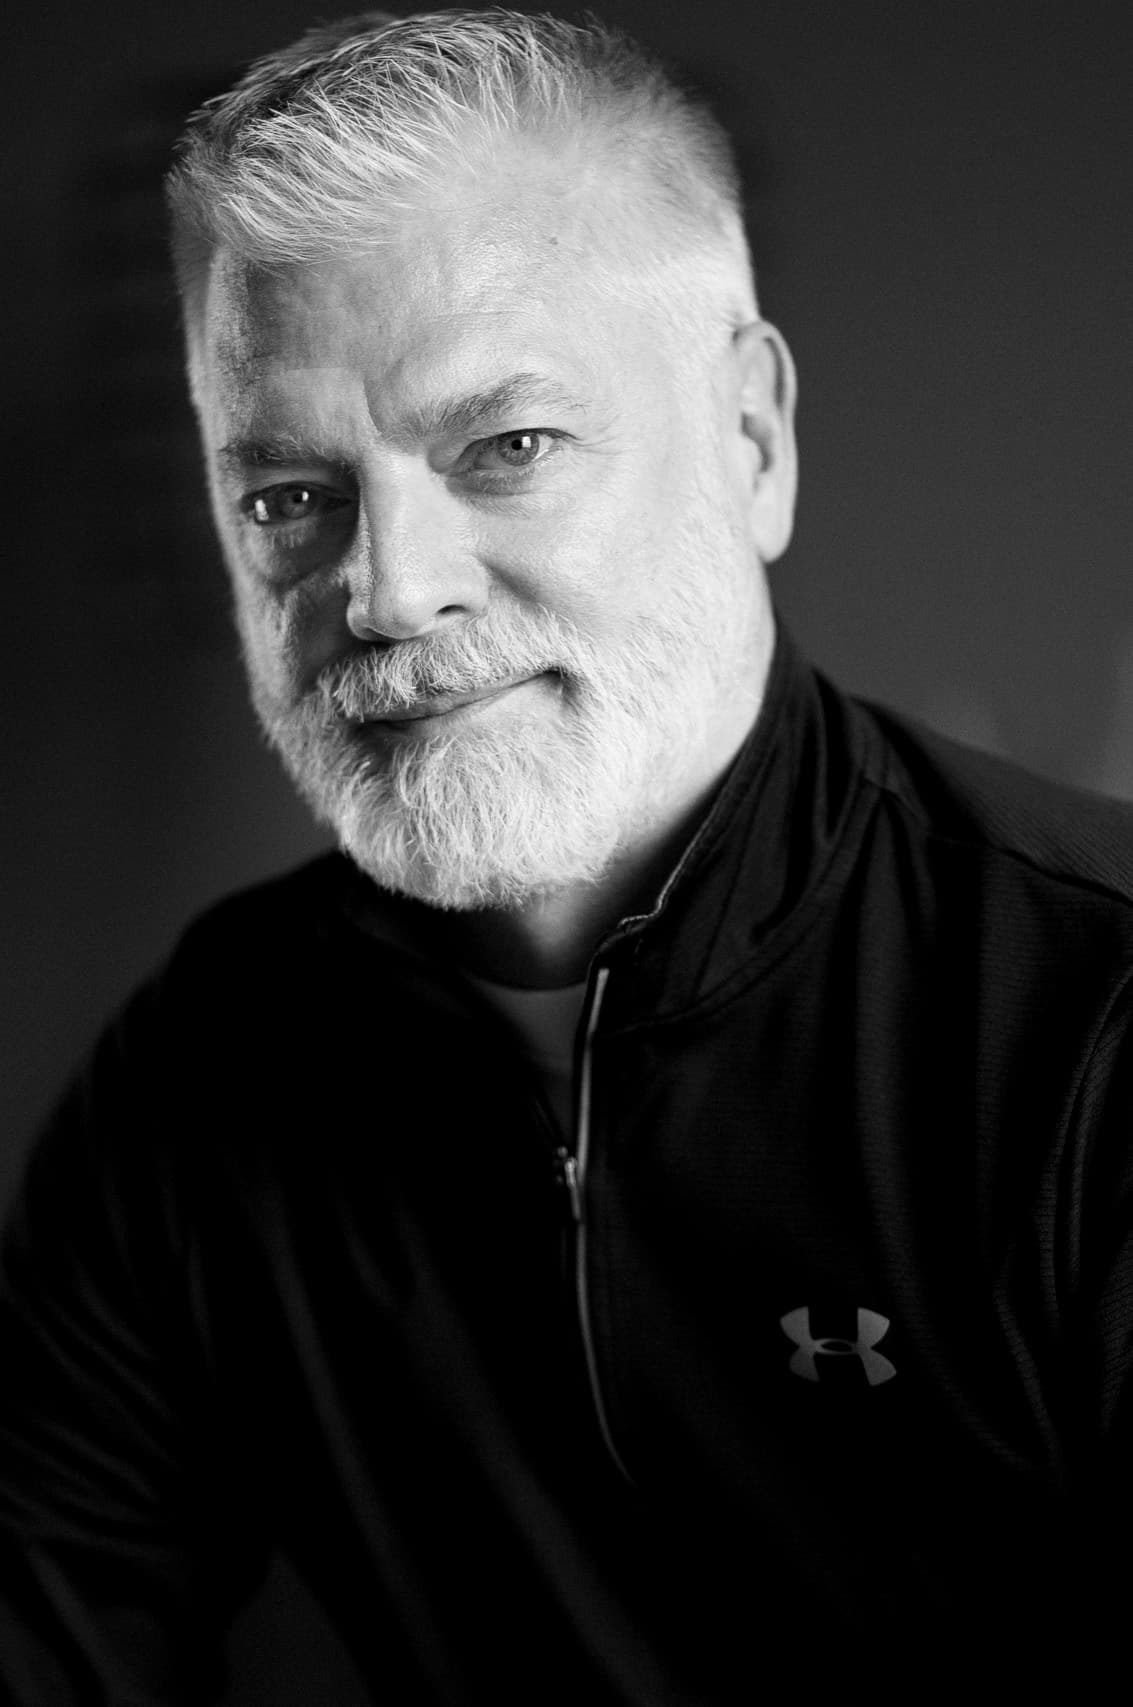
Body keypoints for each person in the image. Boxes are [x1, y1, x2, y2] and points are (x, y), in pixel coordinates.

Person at [3, 7, 1133, 1700]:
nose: (388, 590)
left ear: (751, 438)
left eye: (506, 449)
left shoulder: (1096, 1028)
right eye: (288, 495)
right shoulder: (199, 1084)